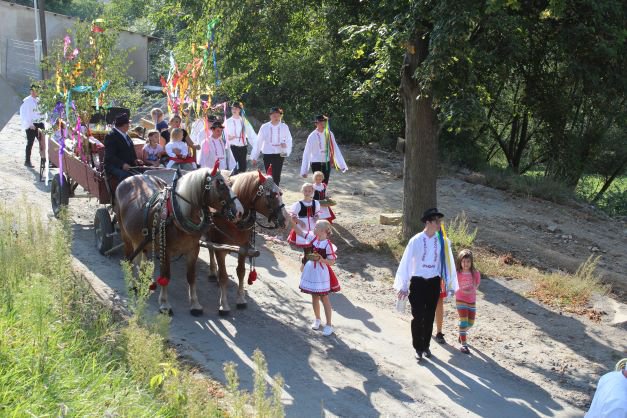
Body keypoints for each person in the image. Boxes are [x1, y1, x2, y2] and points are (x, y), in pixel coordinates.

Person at [394, 208, 458, 361]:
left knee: (429, 316)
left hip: (434, 282)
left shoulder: (442, 241)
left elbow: (448, 263)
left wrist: (450, 283)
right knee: (418, 316)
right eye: (436, 221)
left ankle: (426, 345)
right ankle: (418, 347)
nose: (439, 223)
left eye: (439, 221)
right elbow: (406, 262)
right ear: (428, 222)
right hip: (418, 282)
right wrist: (403, 285)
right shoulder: (416, 240)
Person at [291, 219, 340, 337]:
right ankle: (317, 319)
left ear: (323, 231)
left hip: (321, 273)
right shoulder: (313, 239)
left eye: (316, 227)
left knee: (324, 298)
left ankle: (329, 325)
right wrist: (290, 220)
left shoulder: (327, 245)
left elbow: (332, 261)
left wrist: (321, 260)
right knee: (314, 296)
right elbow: (299, 231)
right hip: (311, 271)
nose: (314, 228)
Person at [300, 115, 348, 184]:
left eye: (324, 122)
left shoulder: (329, 134)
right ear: (316, 124)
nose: (323, 124)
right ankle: (317, 191)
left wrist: (341, 164)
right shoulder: (312, 136)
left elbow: (335, 148)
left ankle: (323, 191)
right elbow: (307, 153)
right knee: (317, 183)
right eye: (320, 122)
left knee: (325, 183)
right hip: (316, 162)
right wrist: (304, 170)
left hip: (326, 163)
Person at [251, 107, 292, 186]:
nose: (276, 117)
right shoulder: (264, 127)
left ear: (280, 116)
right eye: (274, 115)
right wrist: (254, 157)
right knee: (269, 174)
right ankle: (269, 190)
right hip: (268, 154)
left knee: (277, 175)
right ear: (270, 116)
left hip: (280, 154)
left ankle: (276, 191)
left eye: (278, 115)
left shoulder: (284, 127)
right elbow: (258, 142)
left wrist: (286, 147)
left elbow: (289, 140)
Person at [104, 113, 143, 182]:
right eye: (128, 124)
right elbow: (110, 156)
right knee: (126, 176)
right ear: (125, 125)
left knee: (143, 172)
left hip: (128, 164)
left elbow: (130, 150)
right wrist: (122, 164)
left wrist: (135, 160)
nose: (129, 125)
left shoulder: (125, 134)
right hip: (114, 165)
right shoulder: (111, 136)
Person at [455, 249, 480, 354]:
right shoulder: (457, 273)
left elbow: (477, 283)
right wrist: (461, 290)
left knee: (470, 322)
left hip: (471, 300)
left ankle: (462, 333)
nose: (466, 264)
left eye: (468, 261)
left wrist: (473, 289)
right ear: (460, 262)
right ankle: (464, 344)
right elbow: (454, 284)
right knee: (464, 321)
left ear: (471, 262)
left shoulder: (475, 273)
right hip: (460, 299)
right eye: (463, 261)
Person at [287, 183, 320, 249]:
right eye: (305, 191)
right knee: (303, 238)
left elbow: (317, 213)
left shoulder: (316, 203)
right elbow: (292, 216)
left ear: (312, 192)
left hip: (313, 224)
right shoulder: (298, 204)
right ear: (302, 191)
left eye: (309, 191)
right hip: (302, 225)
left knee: (314, 237)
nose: (307, 193)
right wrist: (299, 221)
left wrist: (316, 217)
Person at [224, 101, 254, 174]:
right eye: (233, 108)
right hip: (232, 148)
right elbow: (223, 135)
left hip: (243, 147)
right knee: (233, 168)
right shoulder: (227, 122)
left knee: (243, 168)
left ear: (239, 110)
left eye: (236, 108)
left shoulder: (244, 121)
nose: (234, 110)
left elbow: (251, 133)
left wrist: (256, 146)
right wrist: (228, 138)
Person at [20, 84, 45, 168]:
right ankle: (27, 161)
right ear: (31, 91)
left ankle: (45, 159)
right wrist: (30, 124)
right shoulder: (27, 101)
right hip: (31, 124)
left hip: (39, 123)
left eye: (36, 91)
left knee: (43, 142)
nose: (35, 92)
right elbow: (24, 114)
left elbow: (42, 112)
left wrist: (43, 122)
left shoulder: (39, 100)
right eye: (33, 91)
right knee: (30, 142)